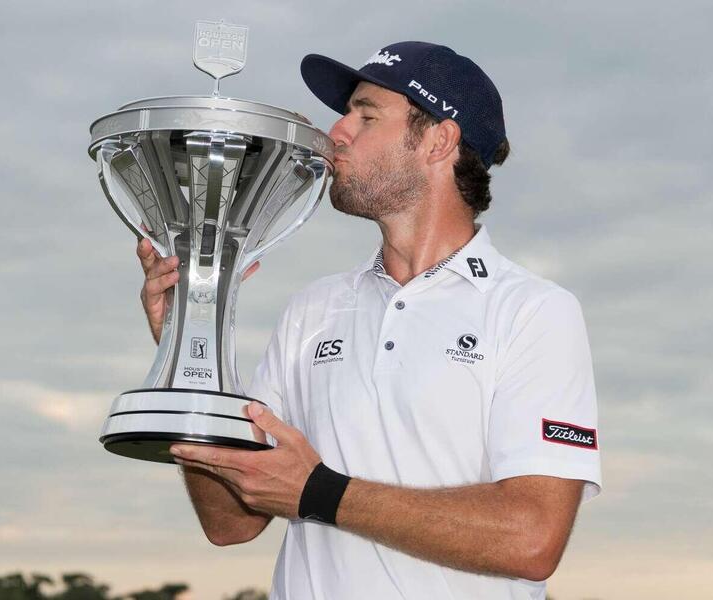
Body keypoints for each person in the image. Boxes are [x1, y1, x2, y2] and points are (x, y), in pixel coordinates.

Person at [136, 41, 601, 600]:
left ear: (438, 140)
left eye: (366, 113)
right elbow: (231, 523)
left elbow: (531, 539)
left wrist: (320, 492)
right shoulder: (314, 308)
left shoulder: (532, 311)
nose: (338, 131)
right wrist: (191, 352)